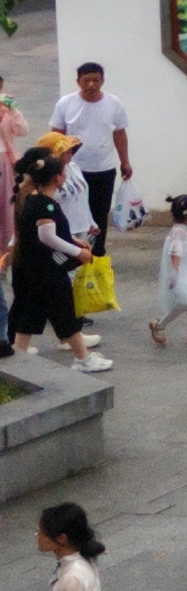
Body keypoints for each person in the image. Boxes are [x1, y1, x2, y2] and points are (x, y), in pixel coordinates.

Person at [7, 151, 96, 372]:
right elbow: (47, 236)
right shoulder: (43, 204)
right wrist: (77, 251)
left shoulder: (36, 200)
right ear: (57, 178)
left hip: (36, 268)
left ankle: (18, 357)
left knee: (31, 313)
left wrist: (74, 240)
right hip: (46, 268)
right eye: (63, 173)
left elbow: (53, 231)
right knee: (64, 310)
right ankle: (83, 358)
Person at [45, 66, 124, 249]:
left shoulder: (114, 103)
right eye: (86, 80)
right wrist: (56, 165)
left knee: (100, 212)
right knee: (72, 210)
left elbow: (120, 133)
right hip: (73, 169)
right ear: (78, 81)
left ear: (102, 81)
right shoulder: (65, 104)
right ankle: (72, 248)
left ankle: (97, 252)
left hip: (103, 168)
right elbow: (56, 135)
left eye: (95, 80)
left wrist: (125, 162)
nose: (91, 84)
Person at [146, 194, 187, 349]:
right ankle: (160, 324)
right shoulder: (180, 231)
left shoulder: (184, 229)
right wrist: (175, 274)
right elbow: (176, 253)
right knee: (186, 301)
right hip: (184, 272)